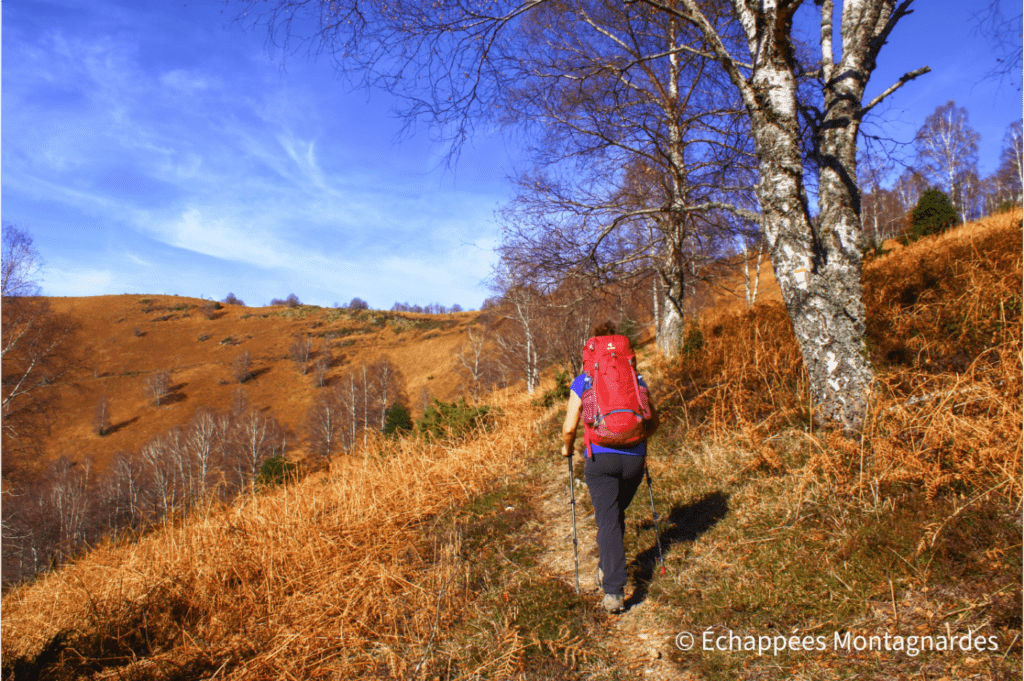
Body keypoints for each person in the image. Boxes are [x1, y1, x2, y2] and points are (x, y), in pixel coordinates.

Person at [561, 322, 659, 614]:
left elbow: (569, 428)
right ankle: (609, 563)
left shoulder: (583, 381)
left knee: (609, 520)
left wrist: (567, 448)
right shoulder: (635, 378)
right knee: (615, 514)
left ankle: (614, 591)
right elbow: (653, 420)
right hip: (634, 459)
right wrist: (639, 442)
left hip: (600, 458)